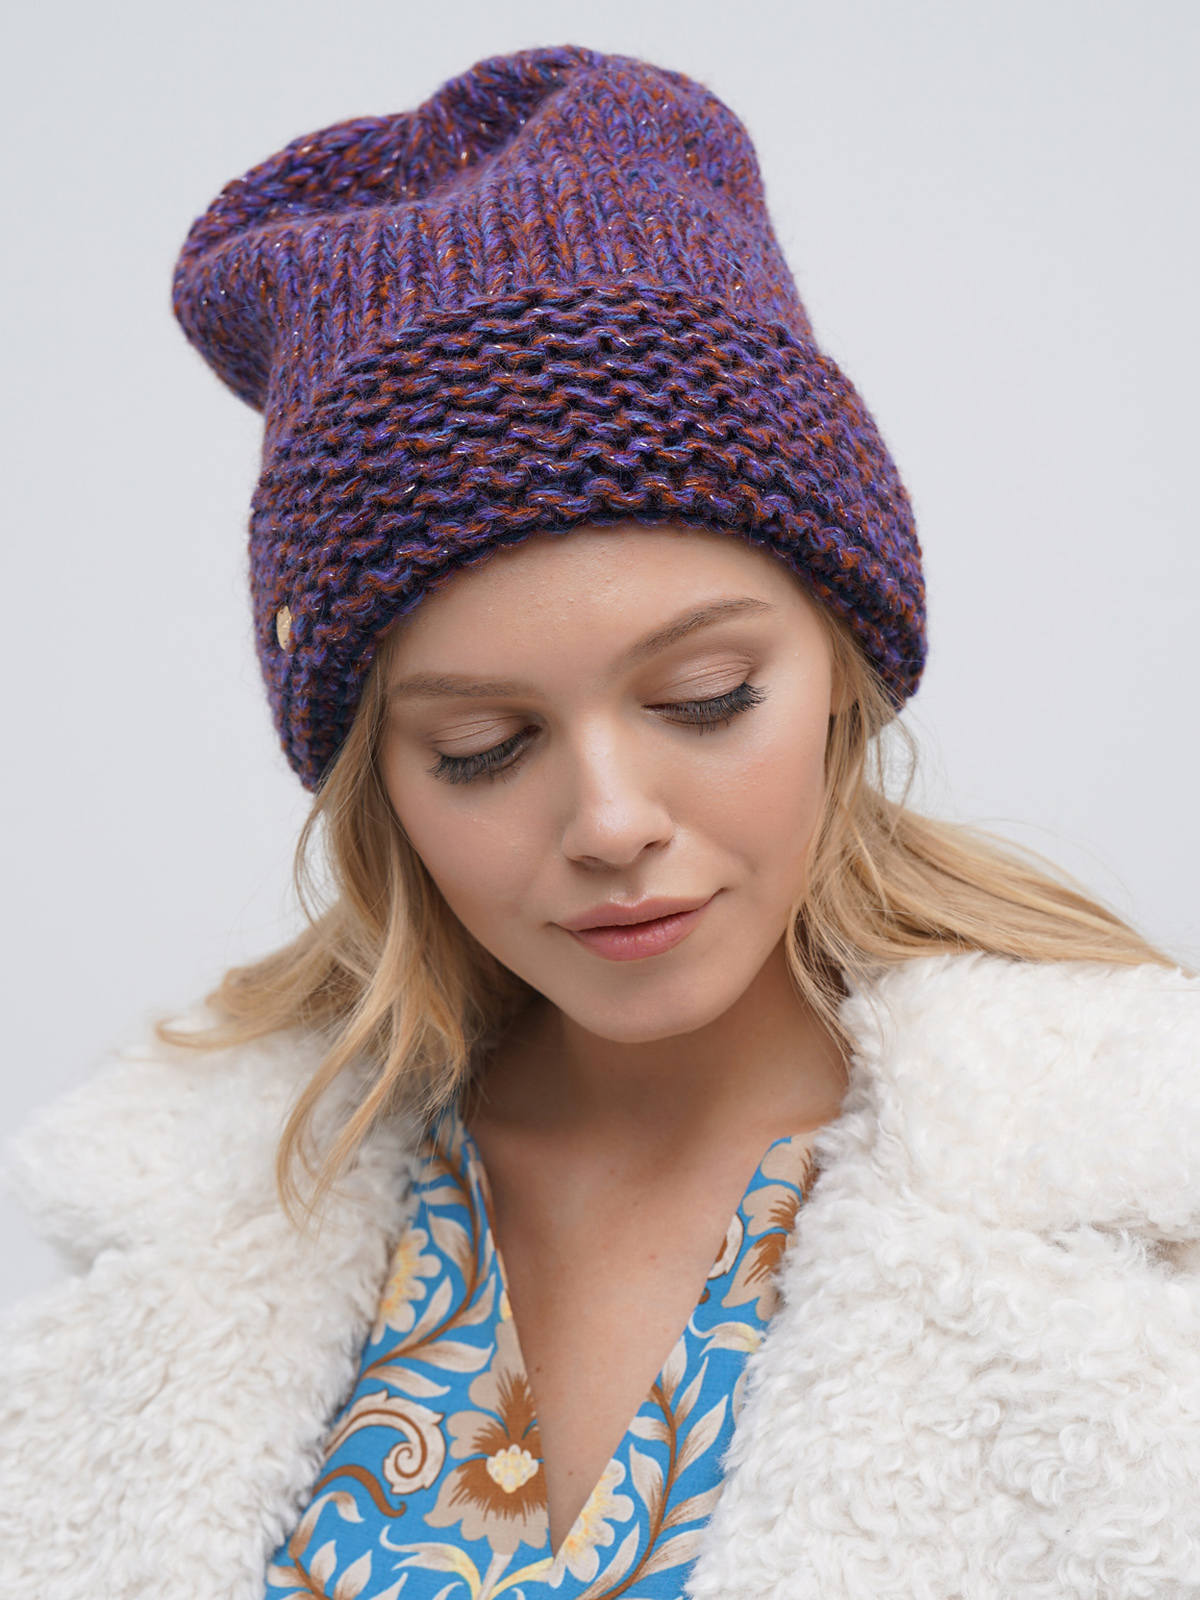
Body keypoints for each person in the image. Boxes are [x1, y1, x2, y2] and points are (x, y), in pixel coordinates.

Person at [2, 43, 1199, 1600]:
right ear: (374, 782)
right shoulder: (198, 1237)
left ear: (844, 668)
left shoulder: (1147, 1220)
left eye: (705, 697)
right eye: (483, 748)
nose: (612, 822)